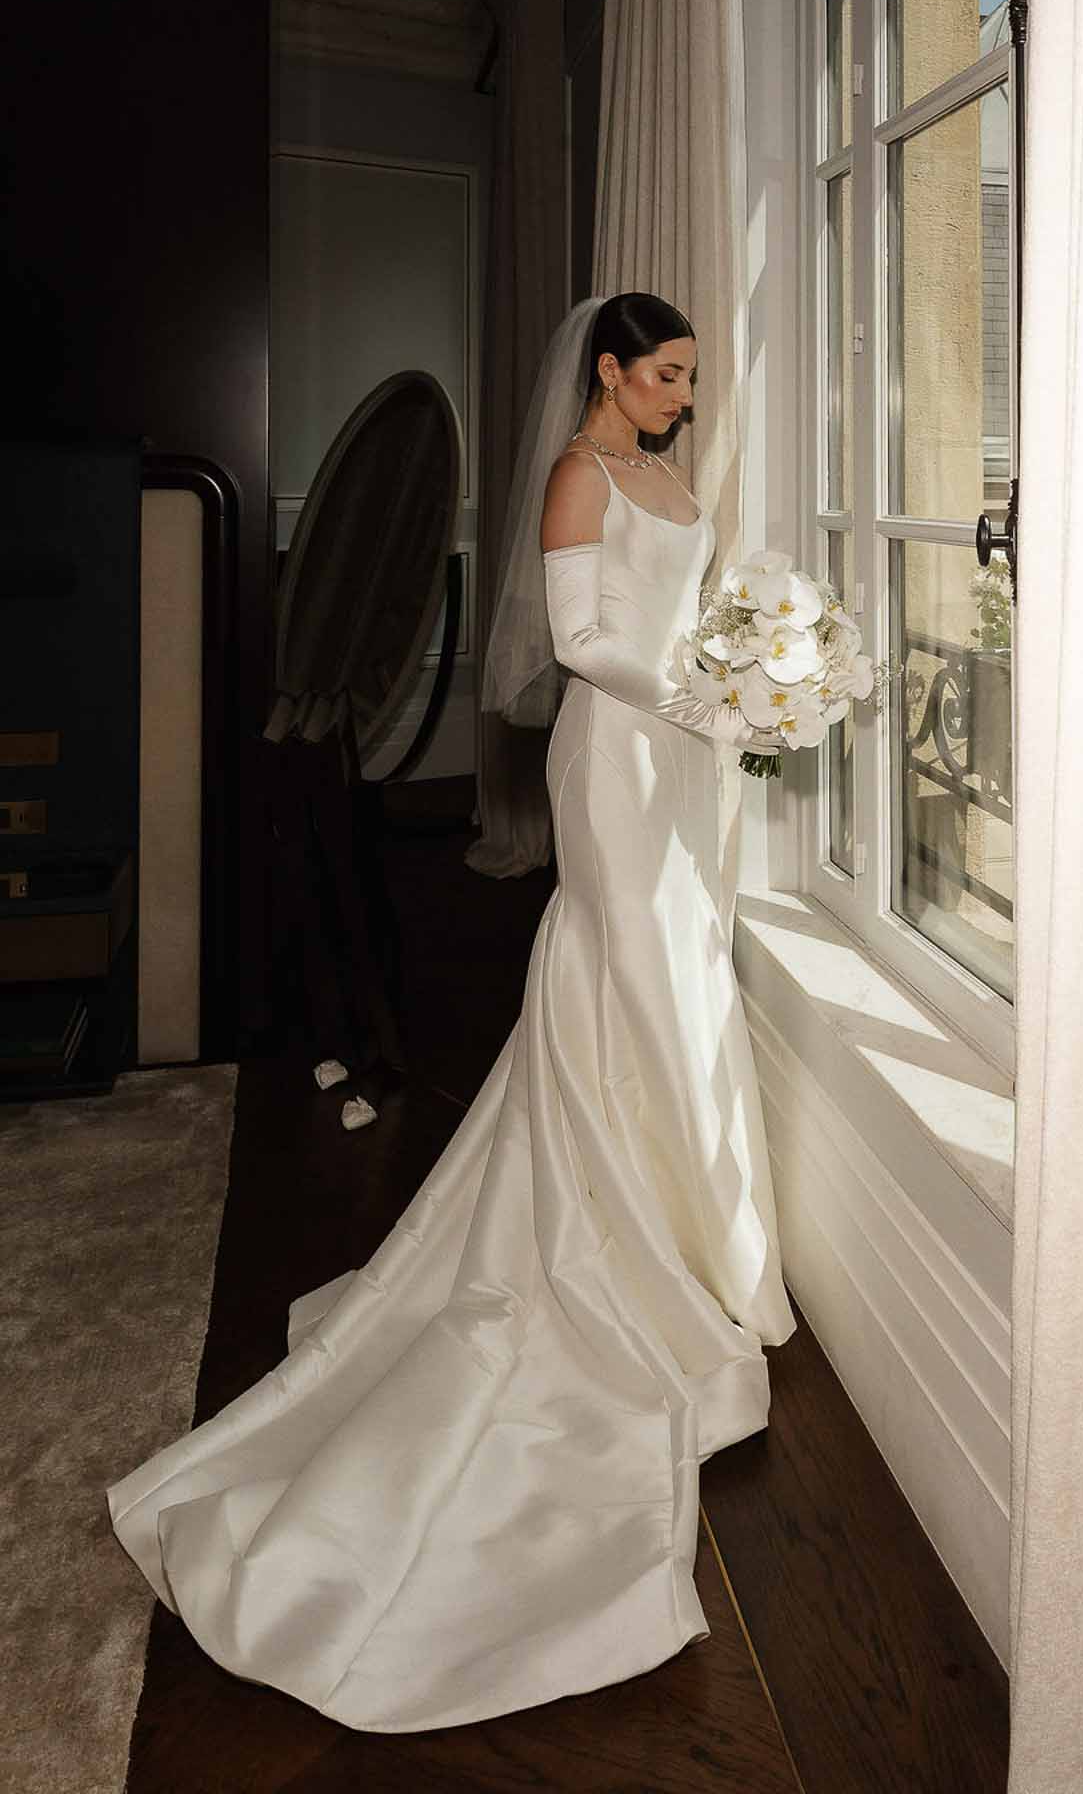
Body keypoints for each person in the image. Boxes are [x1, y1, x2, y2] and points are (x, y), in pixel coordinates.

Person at [106, 293, 796, 1734]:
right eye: (662, 374)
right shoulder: (580, 474)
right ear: (607, 371)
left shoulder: (673, 476)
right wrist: (711, 692)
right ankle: (628, 1252)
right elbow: (582, 640)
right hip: (624, 755)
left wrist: (750, 673)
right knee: (628, 970)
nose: (679, 397)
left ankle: (693, 1236)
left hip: (692, 762)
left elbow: (687, 606)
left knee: (679, 970)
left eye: (687, 379)